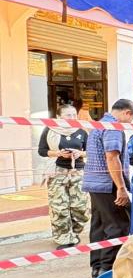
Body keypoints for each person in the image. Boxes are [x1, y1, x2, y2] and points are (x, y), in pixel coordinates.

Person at [82, 98, 133, 278]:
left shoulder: (98, 125)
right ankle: (107, 268)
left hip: (94, 183)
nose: (130, 122)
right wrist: (121, 187)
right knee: (118, 225)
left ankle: (96, 266)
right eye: (132, 118)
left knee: (99, 225)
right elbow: (112, 158)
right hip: (108, 184)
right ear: (126, 113)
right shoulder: (113, 128)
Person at [38, 103, 89, 249]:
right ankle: (63, 238)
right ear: (59, 117)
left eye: (74, 115)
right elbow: (42, 151)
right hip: (56, 171)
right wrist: (58, 153)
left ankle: (74, 233)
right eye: (68, 115)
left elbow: (89, 151)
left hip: (77, 171)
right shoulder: (50, 129)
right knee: (59, 207)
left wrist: (80, 153)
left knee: (80, 207)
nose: (72, 117)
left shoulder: (81, 130)